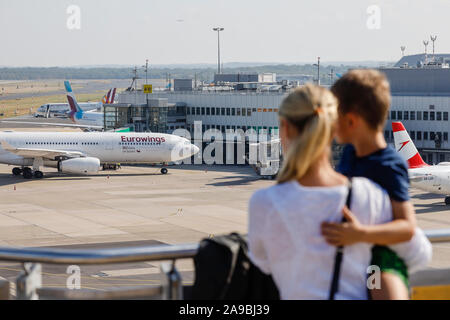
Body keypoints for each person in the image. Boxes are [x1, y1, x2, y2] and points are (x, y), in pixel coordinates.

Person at [248, 84, 431, 300]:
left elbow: (263, 263)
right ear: (333, 130)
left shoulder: (265, 203)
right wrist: (367, 245)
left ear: (285, 128)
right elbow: (419, 253)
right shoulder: (369, 194)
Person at [321, 69, 424, 299]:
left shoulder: (389, 165)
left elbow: (407, 227)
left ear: (351, 120)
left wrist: (361, 234)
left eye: (334, 115)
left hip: (378, 260)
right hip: (351, 256)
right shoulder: (350, 154)